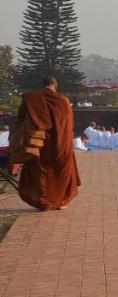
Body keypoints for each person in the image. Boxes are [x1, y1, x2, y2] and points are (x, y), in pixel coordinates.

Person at [12, 76, 80, 211]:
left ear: (43, 85)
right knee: (61, 172)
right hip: (60, 143)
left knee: (39, 172)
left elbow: (20, 120)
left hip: (38, 144)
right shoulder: (63, 101)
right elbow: (68, 126)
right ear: (55, 86)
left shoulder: (31, 100)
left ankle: (43, 202)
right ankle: (60, 202)